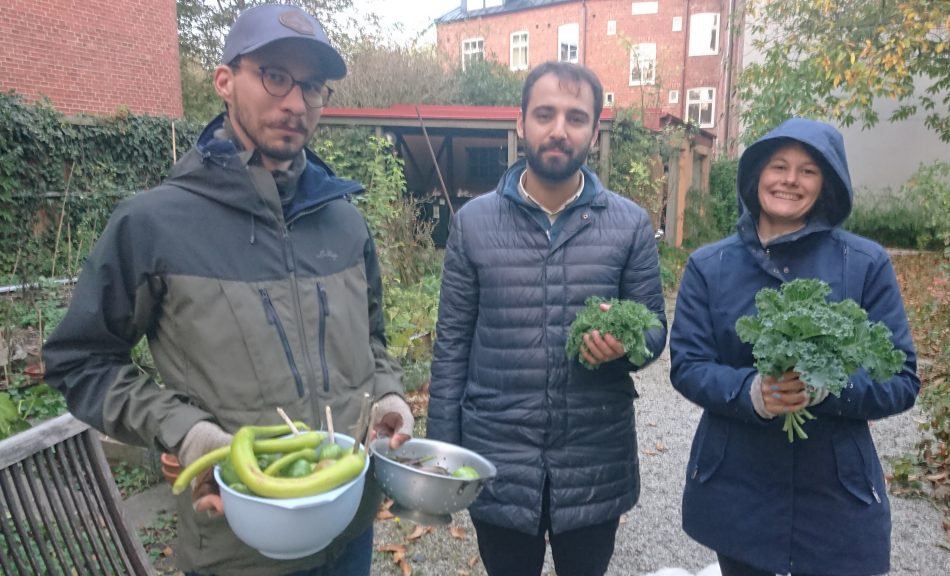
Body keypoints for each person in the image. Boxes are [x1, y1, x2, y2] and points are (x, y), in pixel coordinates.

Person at [42, 4, 413, 575]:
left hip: (348, 528)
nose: (295, 102)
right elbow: (80, 360)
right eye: (275, 76)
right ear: (223, 81)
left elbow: (374, 341)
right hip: (236, 544)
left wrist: (387, 394)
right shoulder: (155, 224)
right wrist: (180, 428)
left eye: (312, 86)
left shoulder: (345, 222)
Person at [427, 60, 667, 576]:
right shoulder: (473, 224)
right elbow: (451, 347)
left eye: (576, 117)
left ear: (594, 130)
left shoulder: (629, 224)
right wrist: (443, 457)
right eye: (545, 114)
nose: (559, 130)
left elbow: (653, 329)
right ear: (521, 123)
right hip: (499, 457)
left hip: (594, 459)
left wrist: (628, 344)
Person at [669, 117, 920, 576]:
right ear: (756, 176)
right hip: (738, 488)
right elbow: (687, 364)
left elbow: (901, 380)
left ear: (826, 183)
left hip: (836, 497)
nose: (789, 179)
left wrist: (825, 388)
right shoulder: (709, 265)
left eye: (808, 170)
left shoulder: (865, 264)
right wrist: (753, 393)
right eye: (778, 166)